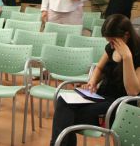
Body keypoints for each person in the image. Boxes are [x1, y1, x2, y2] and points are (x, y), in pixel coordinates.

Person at [50, 14, 140, 146]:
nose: (111, 45)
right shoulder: (110, 48)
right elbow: (98, 69)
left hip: (119, 105)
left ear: (126, 35)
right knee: (62, 101)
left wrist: (127, 57)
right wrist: (92, 81)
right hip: (101, 98)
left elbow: (132, 91)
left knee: (66, 117)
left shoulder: (137, 54)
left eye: (113, 41)